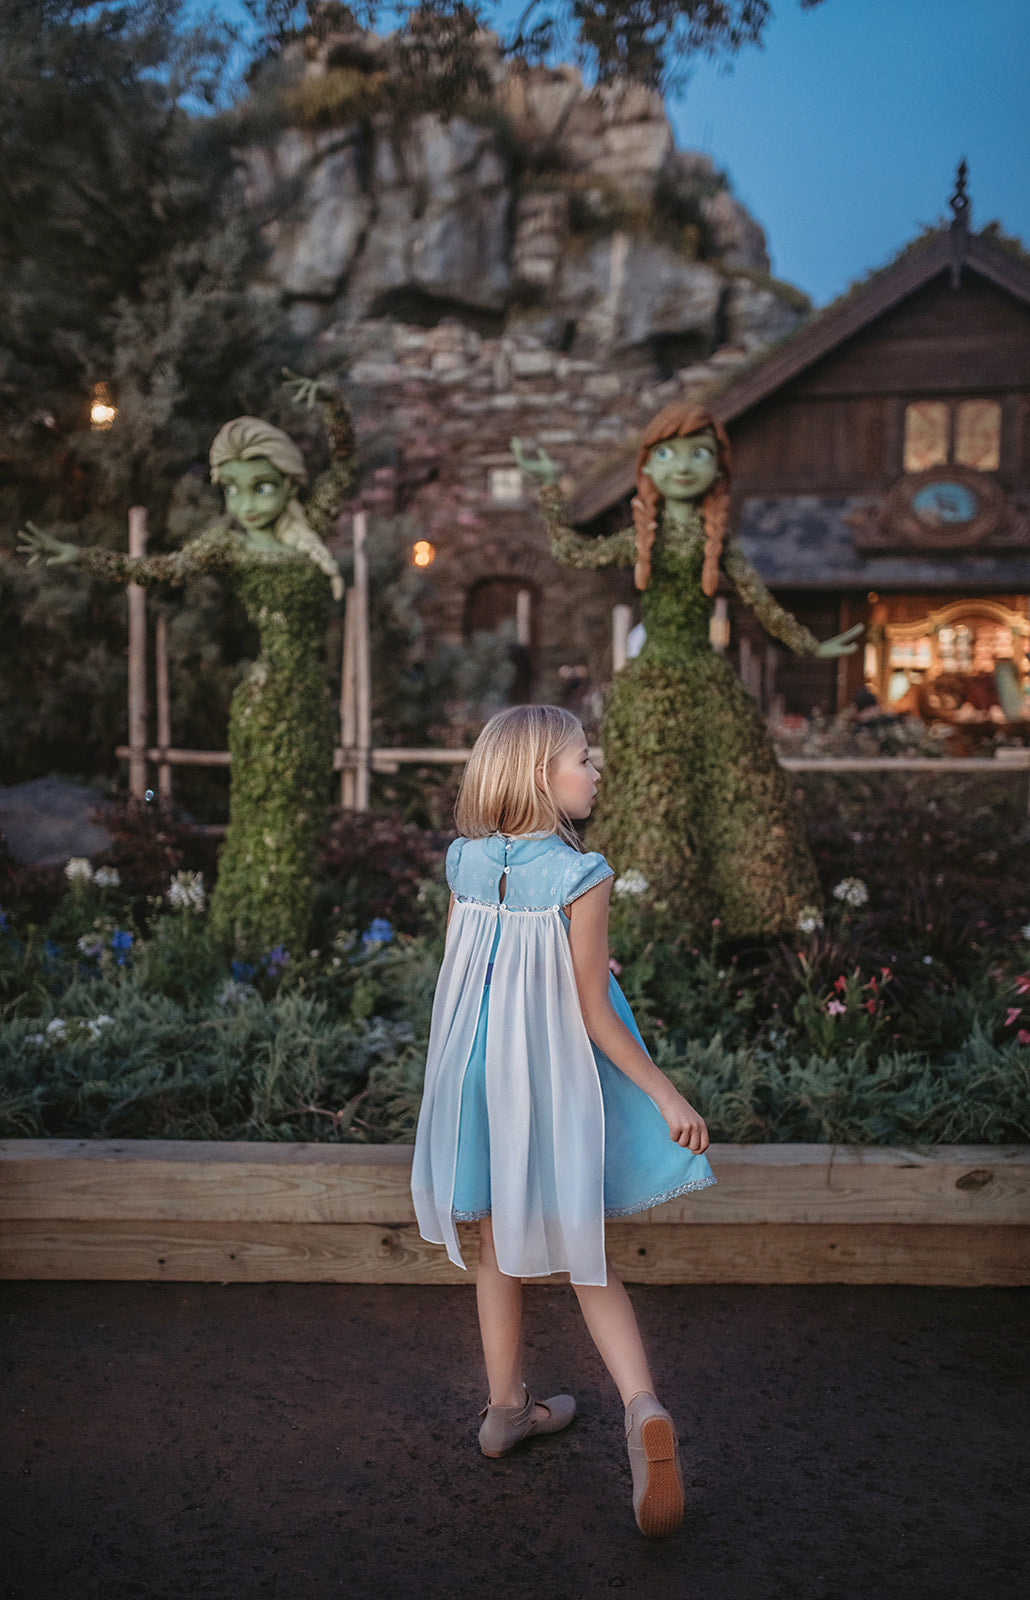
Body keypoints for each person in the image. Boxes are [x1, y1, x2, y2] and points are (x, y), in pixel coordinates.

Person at [411, 705, 716, 1538]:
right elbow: (594, 1013)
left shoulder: (465, 861)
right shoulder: (581, 875)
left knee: (496, 1248)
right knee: (586, 1254)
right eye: (585, 758)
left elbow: (461, 975)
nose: (596, 770)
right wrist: (666, 1095)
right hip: (550, 1079)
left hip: (480, 1078)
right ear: (543, 777)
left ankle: (504, 1411)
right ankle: (642, 1408)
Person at [511, 406, 863, 939]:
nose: (682, 466)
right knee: (655, 795)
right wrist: (549, 490)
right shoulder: (641, 539)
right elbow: (573, 552)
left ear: (718, 469)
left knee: (736, 785)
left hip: (706, 680)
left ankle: (749, 911)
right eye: (666, 453)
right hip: (653, 681)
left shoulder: (717, 545)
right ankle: (645, 911)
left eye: (699, 453)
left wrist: (812, 642)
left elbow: (762, 604)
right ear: (647, 468)